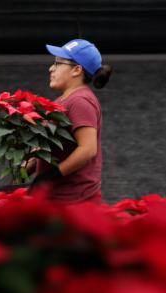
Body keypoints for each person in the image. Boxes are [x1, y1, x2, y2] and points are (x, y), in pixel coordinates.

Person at [25, 39, 112, 203]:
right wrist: (25, 168)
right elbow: (49, 146)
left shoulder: (80, 101)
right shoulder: (63, 100)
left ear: (77, 70)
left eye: (58, 63)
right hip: (56, 199)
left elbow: (88, 149)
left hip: (74, 203)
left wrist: (51, 175)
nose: (51, 68)